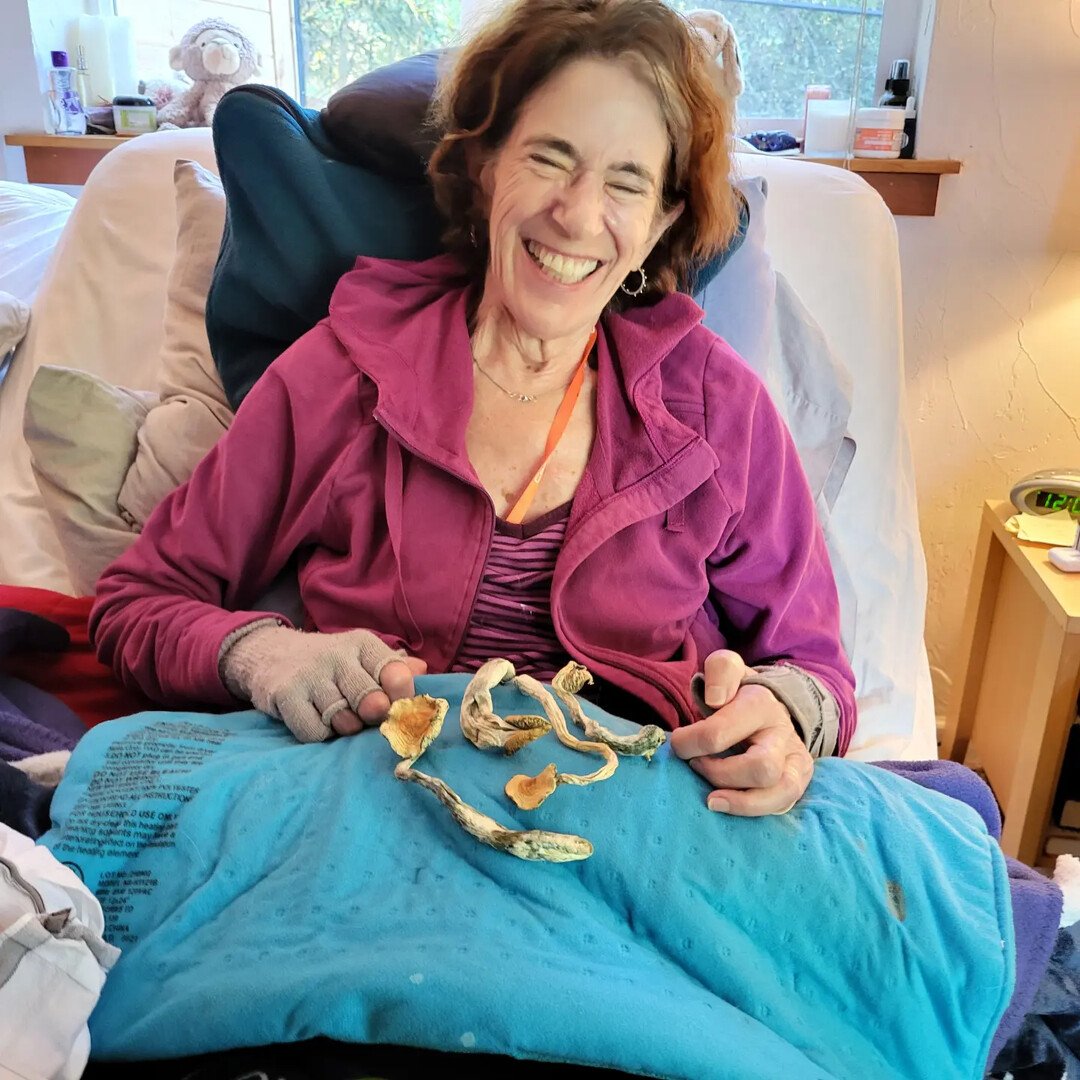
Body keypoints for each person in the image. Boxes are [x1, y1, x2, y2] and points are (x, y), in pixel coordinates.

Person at [91, 0, 856, 818]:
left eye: (626, 181)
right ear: (487, 166)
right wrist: (263, 654)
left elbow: (818, 670)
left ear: (661, 219)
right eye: (549, 158)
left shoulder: (716, 405)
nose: (576, 211)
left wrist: (787, 714)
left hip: (643, 822)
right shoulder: (343, 372)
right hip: (377, 812)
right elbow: (136, 605)